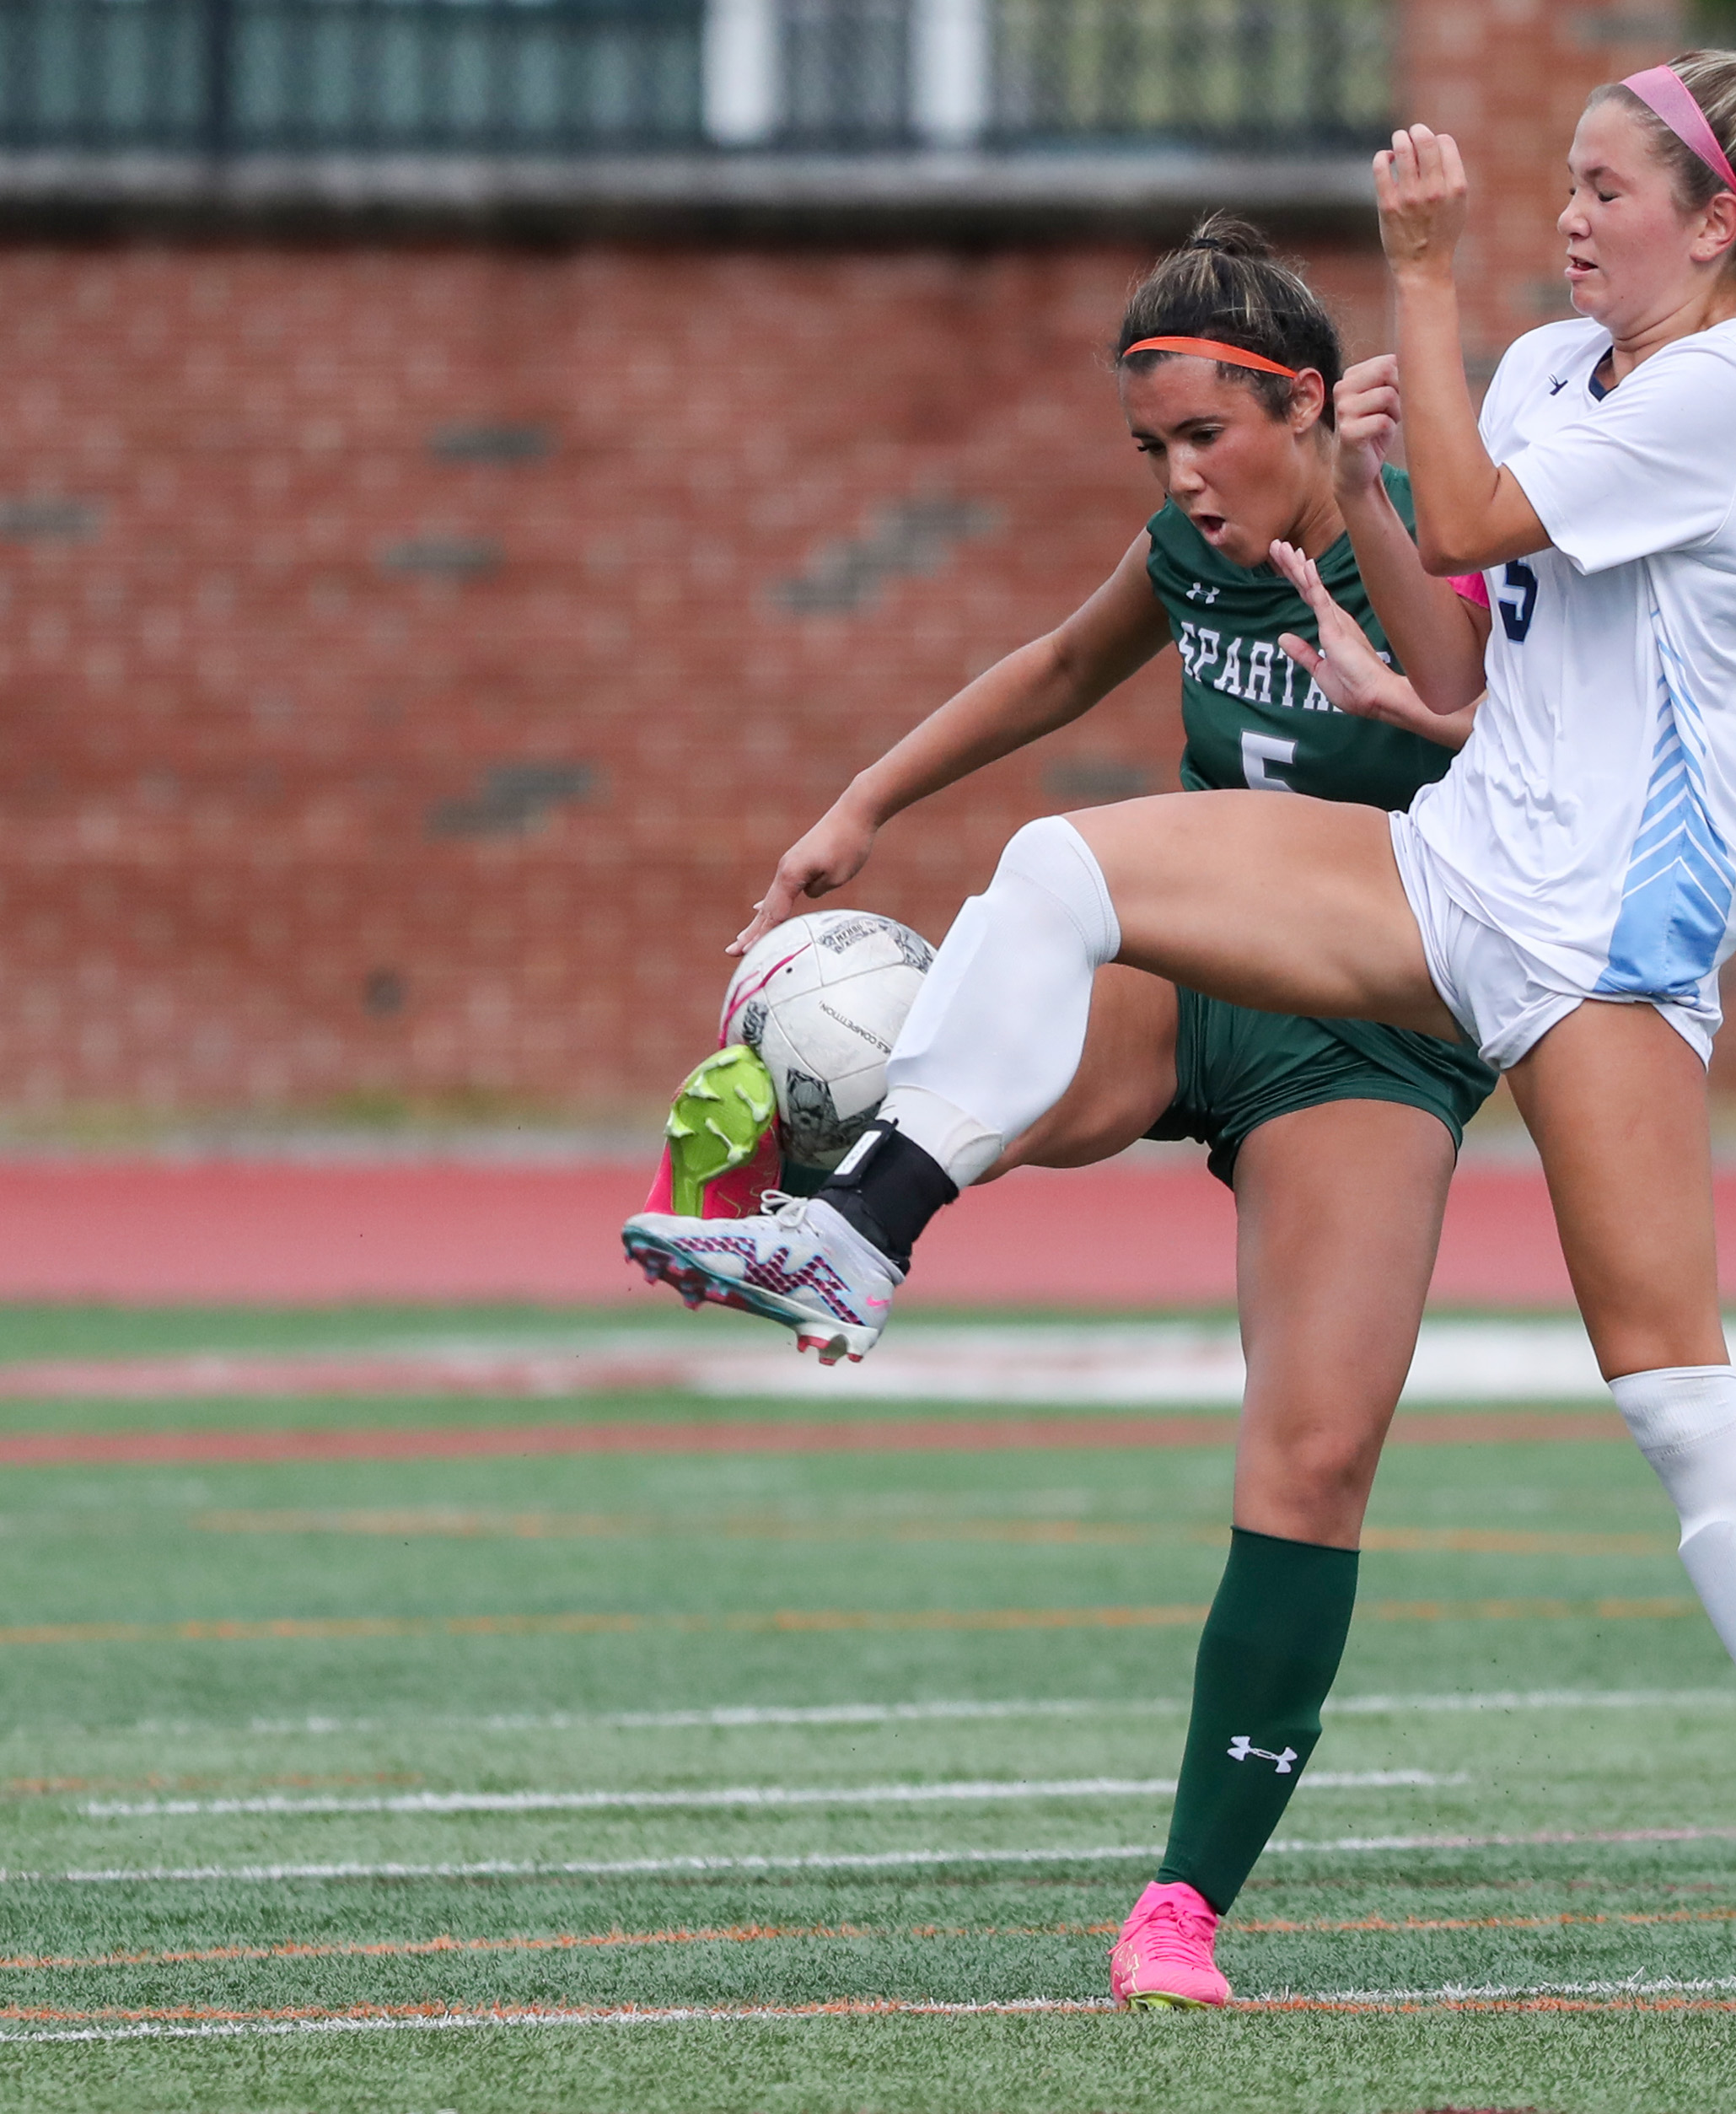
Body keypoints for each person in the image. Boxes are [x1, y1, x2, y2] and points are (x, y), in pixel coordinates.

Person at [630, 55, 1736, 2029]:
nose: (1567, 213)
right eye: (1562, 183)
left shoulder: (1734, 387)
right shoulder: (1531, 369)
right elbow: (1483, 657)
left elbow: (1489, 514)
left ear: (1716, 226)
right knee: (1060, 869)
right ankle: (863, 1224)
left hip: (1605, 951)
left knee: (1674, 1399)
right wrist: (1396, 660)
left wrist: (1408, 297)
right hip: (1455, 885)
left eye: (1607, 188)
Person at [625, 218, 1500, 2009]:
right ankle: (822, 1217)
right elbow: (1046, 671)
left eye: (1208, 438)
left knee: (1312, 1463)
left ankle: (1180, 1908)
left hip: (1374, 1046)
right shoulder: (1184, 555)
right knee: (970, 1023)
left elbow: (1466, 687)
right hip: (1189, 987)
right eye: (1152, 448)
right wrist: (855, 807)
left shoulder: (1402, 535)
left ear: (1310, 410)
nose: (1182, 479)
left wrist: (1376, 498)